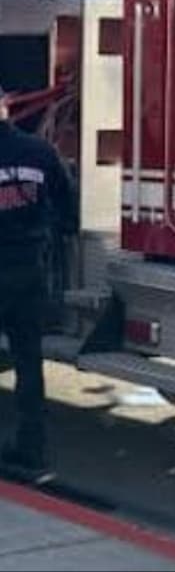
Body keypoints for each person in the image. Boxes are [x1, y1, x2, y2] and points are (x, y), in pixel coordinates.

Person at [0, 85, 78, 471]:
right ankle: (32, 449)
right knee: (29, 363)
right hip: (28, 270)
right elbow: (68, 208)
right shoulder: (40, 152)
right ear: (6, 106)